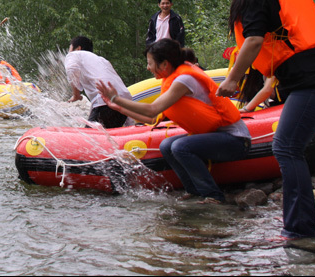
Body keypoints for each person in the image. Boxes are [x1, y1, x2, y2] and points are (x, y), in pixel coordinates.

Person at [217, 0, 315, 240]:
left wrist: (231, 80)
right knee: (290, 146)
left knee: (286, 147)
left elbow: (253, 40)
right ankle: (298, 226)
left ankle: (300, 233)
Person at [98, 38, 250, 203]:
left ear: (164, 64)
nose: (148, 67)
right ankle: (194, 191)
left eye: (150, 63)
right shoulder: (171, 80)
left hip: (235, 139)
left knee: (180, 146)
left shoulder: (183, 81)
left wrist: (117, 98)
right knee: (167, 145)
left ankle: (213, 196)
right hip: (217, 137)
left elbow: (152, 109)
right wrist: (119, 108)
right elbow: (151, 118)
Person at [65, 36, 133, 129]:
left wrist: (76, 94)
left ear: (78, 48)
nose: (68, 52)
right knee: (105, 139)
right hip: (125, 104)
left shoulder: (74, 55)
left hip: (106, 103)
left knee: (89, 140)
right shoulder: (102, 60)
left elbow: (71, 69)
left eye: (69, 48)